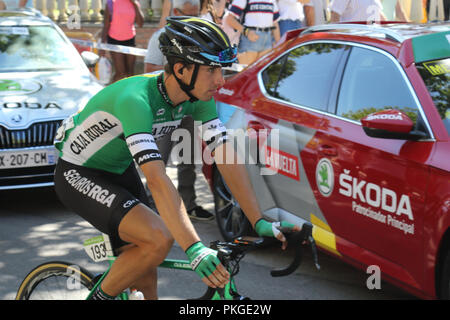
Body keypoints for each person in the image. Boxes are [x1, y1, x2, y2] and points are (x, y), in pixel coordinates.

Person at [53, 16, 299, 300]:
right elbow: (157, 180)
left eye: (221, 70)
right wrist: (194, 249)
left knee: (146, 271)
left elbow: (225, 155)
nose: (220, 80)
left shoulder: (198, 98)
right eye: (211, 70)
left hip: (118, 170)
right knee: (159, 238)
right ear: (181, 69)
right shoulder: (136, 100)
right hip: (79, 174)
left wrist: (258, 220)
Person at [144, 0, 214, 221]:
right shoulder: (160, 37)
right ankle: (151, 205)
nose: (193, 20)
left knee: (189, 157)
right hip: (163, 107)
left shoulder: (200, 36)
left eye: (197, 15)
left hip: (190, 105)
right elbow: (149, 71)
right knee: (157, 159)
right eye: (188, 15)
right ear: (176, 13)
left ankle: (189, 203)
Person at [225, 0, 281, 65]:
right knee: (245, 72)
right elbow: (229, 19)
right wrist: (247, 32)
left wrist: (278, 44)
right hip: (250, 41)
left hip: (267, 42)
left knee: (260, 73)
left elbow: (275, 23)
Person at [100, 0, 144, 82]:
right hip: (114, 40)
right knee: (121, 73)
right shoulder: (111, 3)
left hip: (130, 40)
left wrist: (134, 4)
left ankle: (128, 94)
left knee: (130, 74)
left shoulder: (134, 3)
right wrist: (102, 46)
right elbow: (106, 25)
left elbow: (140, 23)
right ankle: (112, 92)